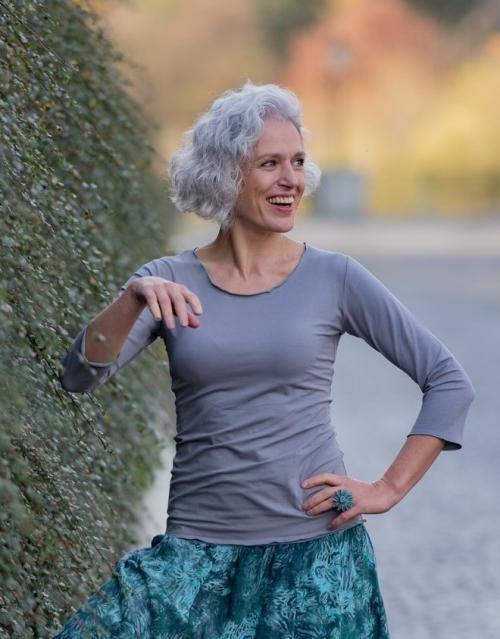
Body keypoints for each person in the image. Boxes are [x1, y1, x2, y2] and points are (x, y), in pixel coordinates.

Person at [56, 82, 475, 638]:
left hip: (315, 562)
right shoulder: (167, 281)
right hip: (195, 558)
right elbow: (78, 375)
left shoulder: (334, 277)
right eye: (270, 164)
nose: (291, 180)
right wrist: (132, 298)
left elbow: (448, 382)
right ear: (225, 175)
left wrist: (387, 489)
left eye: (297, 162)